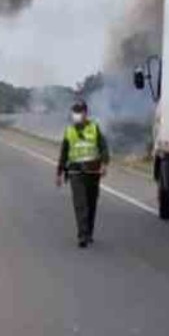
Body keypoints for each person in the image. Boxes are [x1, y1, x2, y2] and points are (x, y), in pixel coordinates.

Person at [56, 100, 110, 248]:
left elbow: (103, 148)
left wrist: (104, 164)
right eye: (75, 112)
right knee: (80, 204)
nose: (77, 115)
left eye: (79, 111)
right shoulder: (69, 131)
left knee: (91, 203)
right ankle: (82, 235)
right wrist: (59, 173)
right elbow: (64, 153)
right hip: (75, 172)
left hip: (93, 171)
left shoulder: (95, 128)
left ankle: (89, 232)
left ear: (86, 113)